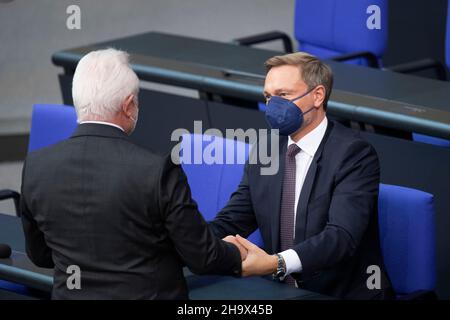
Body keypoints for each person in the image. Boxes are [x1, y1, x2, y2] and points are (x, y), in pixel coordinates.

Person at [20, 48, 245, 299]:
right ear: (128, 105)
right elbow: (202, 257)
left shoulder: (36, 166)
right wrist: (238, 255)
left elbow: (40, 254)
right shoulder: (157, 169)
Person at [210, 52, 394, 299]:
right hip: (279, 290)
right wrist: (187, 240)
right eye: (268, 96)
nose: (273, 105)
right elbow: (233, 218)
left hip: (338, 292)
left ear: (317, 96)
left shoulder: (353, 154)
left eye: (283, 95)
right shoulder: (266, 149)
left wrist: (276, 263)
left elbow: (340, 237)